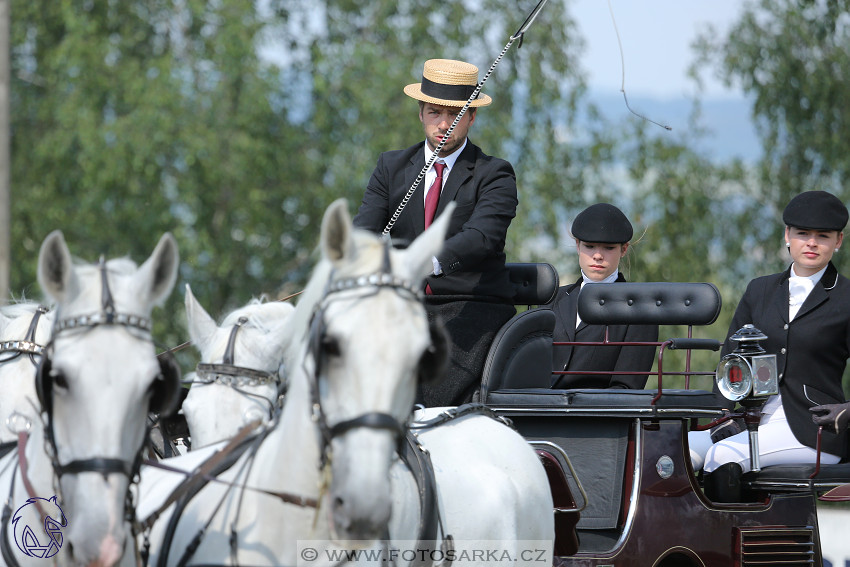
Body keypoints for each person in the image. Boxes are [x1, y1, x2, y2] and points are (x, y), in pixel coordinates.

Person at [352, 58, 517, 407]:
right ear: (420, 113)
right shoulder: (391, 167)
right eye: (434, 113)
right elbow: (364, 230)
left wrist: (426, 261)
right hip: (401, 304)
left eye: (454, 115)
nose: (443, 124)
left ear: (472, 117)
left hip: (468, 309)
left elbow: (482, 236)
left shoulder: (494, 174)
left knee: (422, 387)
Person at [697, 190, 850, 503]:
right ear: (787, 236)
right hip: (749, 416)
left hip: (813, 428)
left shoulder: (847, 298)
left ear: (838, 241)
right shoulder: (760, 289)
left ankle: (731, 550)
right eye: (802, 234)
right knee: (678, 450)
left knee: (722, 456)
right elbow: (731, 356)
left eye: (823, 236)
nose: (811, 243)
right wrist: (722, 413)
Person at [546, 203, 658, 389]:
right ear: (577, 246)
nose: (597, 255)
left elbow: (626, 387)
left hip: (597, 415)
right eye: (589, 246)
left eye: (608, 248)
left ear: (624, 250)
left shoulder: (639, 312)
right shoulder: (552, 299)